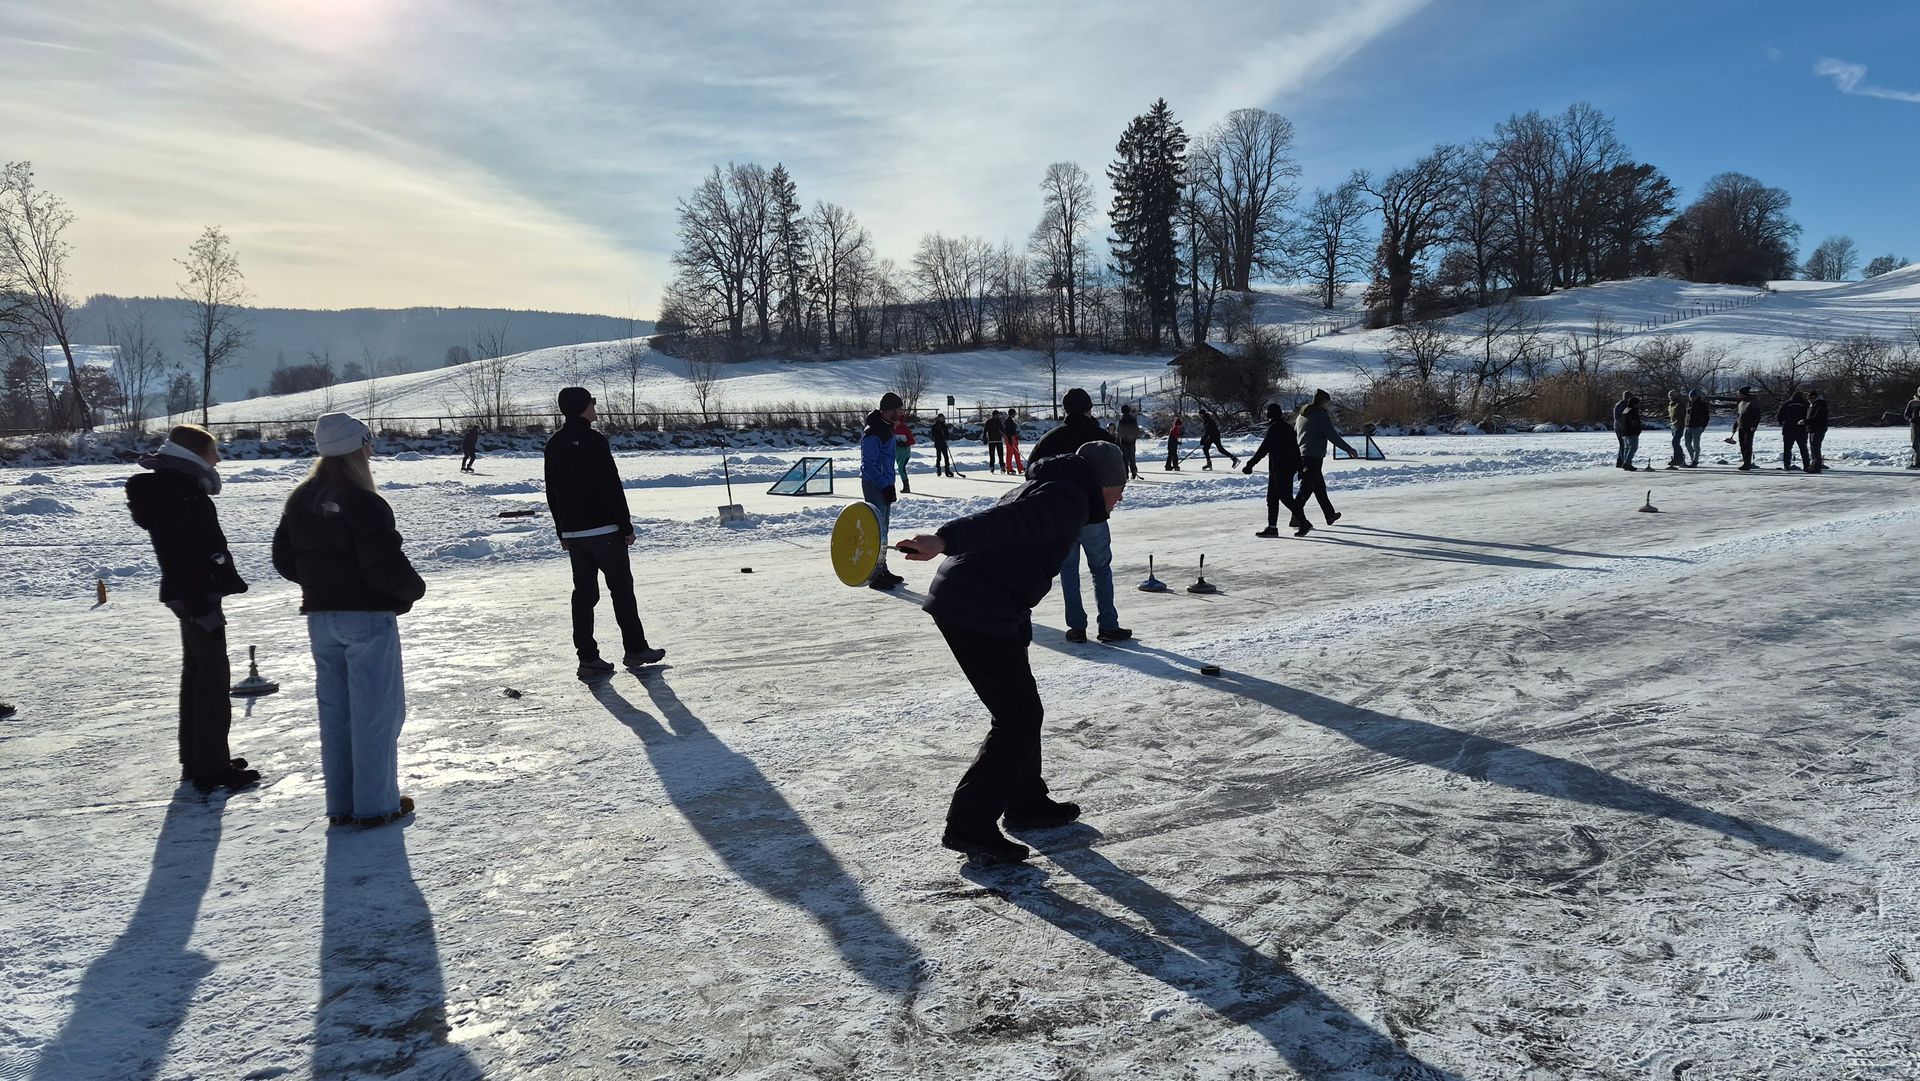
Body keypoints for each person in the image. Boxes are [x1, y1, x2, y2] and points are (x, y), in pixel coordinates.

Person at [897, 441, 1129, 863]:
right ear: (1104, 484)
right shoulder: (1067, 498)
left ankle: (1025, 801)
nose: (1120, 498)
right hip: (975, 606)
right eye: (1120, 488)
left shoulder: (1054, 488)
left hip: (987, 603)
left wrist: (1018, 618)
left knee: (1022, 709)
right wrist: (944, 539)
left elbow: (1014, 545)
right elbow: (1003, 524)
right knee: (1017, 717)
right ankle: (969, 826)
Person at [272, 413, 426, 828]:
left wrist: (323, 583)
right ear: (357, 447)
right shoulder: (364, 502)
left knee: (336, 714)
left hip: (321, 616)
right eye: (367, 441)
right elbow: (384, 566)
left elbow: (284, 559)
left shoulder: (300, 499)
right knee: (376, 713)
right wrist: (413, 590)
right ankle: (376, 805)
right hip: (366, 618)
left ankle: (341, 804)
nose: (371, 448)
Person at [125, 424, 258, 794]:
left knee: (198, 674)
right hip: (196, 596)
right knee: (211, 679)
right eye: (213, 451)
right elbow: (180, 555)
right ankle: (211, 768)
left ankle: (200, 759)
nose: (218, 459)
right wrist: (201, 606)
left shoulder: (177, 488)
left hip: (192, 593)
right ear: (195, 454)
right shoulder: (178, 493)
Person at [544, 387, 666, 678]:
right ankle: (635, 649)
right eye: (592, 402)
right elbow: (611, 485)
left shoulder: (554, 443)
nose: (595, 407)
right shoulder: (595, 441)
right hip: (605, 531)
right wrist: (625, 526)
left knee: (584, 595)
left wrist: (562, 530)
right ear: (581, 407)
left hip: (575, 535)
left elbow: (552, 491)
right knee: (621, 591)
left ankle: (587, 657)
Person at [1028, 388, 1128, 644]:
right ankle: (1108, 625)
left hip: (1062, 517)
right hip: (1094, 516)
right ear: (1089, 409)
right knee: (1101, 569)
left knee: (1068, 571)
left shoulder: (1050, 439)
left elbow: (1031, 474)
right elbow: (1120, 470)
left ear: (1065, 410)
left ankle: (1076, 627)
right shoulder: (1101, 437)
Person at [860, 392, 904, 590]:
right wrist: (884, 485)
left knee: (883, 529)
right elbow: (868, 466)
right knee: (876, 530)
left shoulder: (887, 428)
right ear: (889, 410)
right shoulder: (873, 432)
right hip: (875, 485)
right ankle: (874, 574)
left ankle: (882, 568)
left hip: (885, 483)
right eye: (898, 409)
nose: (900, 413)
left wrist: (889, 484)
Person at [1294, 390, 1357, 525]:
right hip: (1314, 455)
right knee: (1308, 486)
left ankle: (1329, 515)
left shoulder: (1302, 415)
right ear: (1322, 402)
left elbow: (1295, 434)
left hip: (1302, 454)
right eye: (1326, 402)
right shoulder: (1320, 415)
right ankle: (1296, 517)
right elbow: (1332, 435)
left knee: (1317, 487)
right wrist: (1349, 449)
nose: (1327, 405)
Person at [1244, 402, 1308, 537]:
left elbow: (1264, 448)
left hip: (1280, 469)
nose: (1266, 413)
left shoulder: (1275, 428)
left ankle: (1304, 522)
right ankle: (1272, 527)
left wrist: (1250, 465)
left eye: (1267, 411)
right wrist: (1299, 467)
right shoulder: (1287, 427)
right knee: (1272, 498)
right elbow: (1296, 449)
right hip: (1284, 469)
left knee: (1285, 498)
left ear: (1270, 414)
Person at [1776, 390, 1811, 471]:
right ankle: (1806, 465)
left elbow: (1779, 416)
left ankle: (1787, 465)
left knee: (1787, 449)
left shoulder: (1786, 404)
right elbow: (1809, 415)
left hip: (1788, 429)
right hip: (1801, 429)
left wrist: (1782, 422)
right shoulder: (1805, 404)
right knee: (1803, 448)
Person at [1734, 386, 1763, 471]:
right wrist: (1735, 426)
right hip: (1741, 426)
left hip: (1749, 426)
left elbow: (1757, 415)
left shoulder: (1752, 402)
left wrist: (1754, 425)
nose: (1739, 395)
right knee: (1742, 445)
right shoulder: (1741, 402)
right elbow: (1739, 416)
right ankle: (1745, 462)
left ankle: (1747, 463)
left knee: (1748, 445)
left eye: (1740, 393)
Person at [1613, 391, 1643, 471]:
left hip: (1624, 429)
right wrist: (1624, 426)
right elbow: (1619, 418)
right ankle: (1624, 462)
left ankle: (1623, 462)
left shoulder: (1626, 407)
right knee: (1629, 446)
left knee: (1625, 446)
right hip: (1623, 429)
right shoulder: (1622, 406)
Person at [1684, 388, 1710, 467]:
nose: (1692, 398)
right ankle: (1692, 459)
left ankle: (1695, 460)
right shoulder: (1688, 404)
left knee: (1696, 445)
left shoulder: (1702, 404)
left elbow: (1707, 417)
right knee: (1687, 444)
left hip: (1697, 427)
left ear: (1697, 396)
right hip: (1688, 427)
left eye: (1693, 396)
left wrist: (1703, 427)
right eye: (1690, 396)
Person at [1116, 404, 1143, 480]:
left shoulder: (1122, 420)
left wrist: (1119, 439)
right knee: (1132, 458)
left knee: (1125, 459)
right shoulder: (1133, 419)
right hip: (1131, 442)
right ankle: (1134, 472)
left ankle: (1126, 474)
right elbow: (1137, 430)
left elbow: (1119, 431)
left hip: (1124, 442)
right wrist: (1133, 438)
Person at [1806, 387, 1829, 472]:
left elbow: (1817, 417)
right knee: (1813, 447)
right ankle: (1814, 465)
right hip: (1812, 428)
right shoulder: (1813, 405)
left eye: (1811, 398)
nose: (1810, 400)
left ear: (1815, 397)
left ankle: (1817, 467)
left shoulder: (1820, 405)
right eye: (1808, 399)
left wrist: (1806, 421)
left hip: (1818, 428)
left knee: (1816, 447)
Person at [892, 413, 915, 493]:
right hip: (897, 453)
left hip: (905, 453)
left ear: (899, 421)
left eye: (896, 421)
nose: (894, 423)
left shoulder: (905, 429)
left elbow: (912, 441)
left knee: (901, 468)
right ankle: (906, 486)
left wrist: (905, 444)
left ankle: (906, 487)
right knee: (900, 469)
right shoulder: (893, 429)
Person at [930, 412, 956, 477]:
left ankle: (947, 470)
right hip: (938, 443)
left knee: (946, 457)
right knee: (939, 457)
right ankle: (938, 469)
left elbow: (947, 435)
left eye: (943, 418)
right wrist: (939, 433)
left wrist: (946, 437)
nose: (943, 419)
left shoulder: (944, 426)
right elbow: (933, 434)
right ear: (938, 418)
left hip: (943, 443)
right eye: (941, 418)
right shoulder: (935, 426)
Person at [1665, 390, 1686, 467]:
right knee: (1675, 443)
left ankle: (1680, 458)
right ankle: (1677, 458)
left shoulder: (1680, 403)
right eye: (1669, 396)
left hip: (1680, 425)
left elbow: (1683, 414)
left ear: (1676, 396)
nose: (1670, 397)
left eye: (1672, 396)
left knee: (1675, 442)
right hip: (1673, 425)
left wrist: (1684, 423)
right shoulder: (1671, 404)